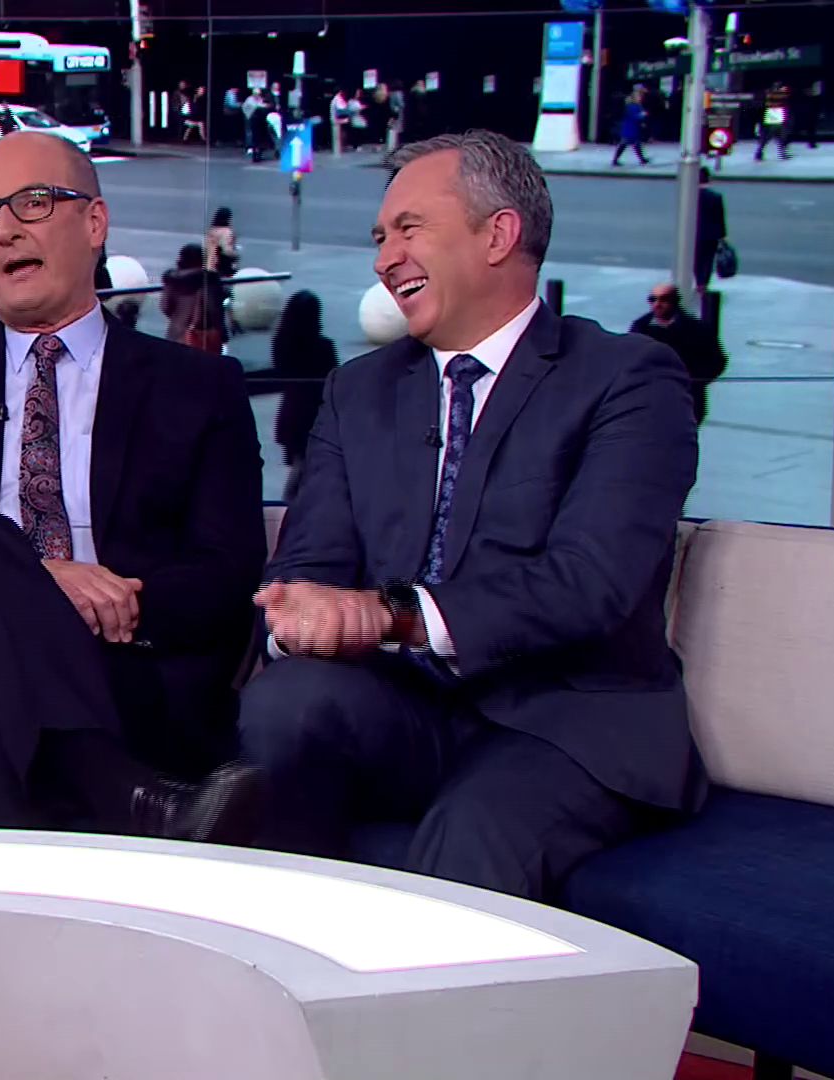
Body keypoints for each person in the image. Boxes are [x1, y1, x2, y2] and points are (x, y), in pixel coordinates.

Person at [238, 130, 703, 901]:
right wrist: (302, 615)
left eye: (409, 229)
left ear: (499, 234)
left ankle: (399, 982)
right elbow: (307, 566)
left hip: (564, 722)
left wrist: (392, 615)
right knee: (284, 705)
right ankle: (290, 944)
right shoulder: (359, 392)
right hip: (405, 707)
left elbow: (591, 582)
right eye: (380, 238)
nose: (385, 259)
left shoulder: (627, 379)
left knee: (475, 830)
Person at [0, 132, 268, 839]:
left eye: (32, 202)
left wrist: (73, 607)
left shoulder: (199, 387)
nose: (4, 229)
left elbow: (226, 574)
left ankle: (71, 812)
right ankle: (130, 795)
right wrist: (27, 580)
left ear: (94, 224)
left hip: (130, 683)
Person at [269, 290, 338, 500]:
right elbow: (334, 379)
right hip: (314, 415)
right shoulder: (323, 347)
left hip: (291, 414)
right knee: (305, 469)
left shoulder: (281, 344)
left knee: (300, 465)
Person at [631, 283, 727, 425]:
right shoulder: (640, 328)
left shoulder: (696, 329)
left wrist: (694, 380)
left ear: (675, 301)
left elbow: (717, 360)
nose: (657, 304)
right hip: (649, 400)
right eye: (653, 299)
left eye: (664, 299)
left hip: (686, 399)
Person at [159, 243, 226, 356]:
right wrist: (222, 333)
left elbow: (165, 307)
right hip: (199, 338)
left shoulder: (172, 280)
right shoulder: (208, 281)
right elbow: (213, 310)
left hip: (175, 334)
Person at [694, 167, 727, 300]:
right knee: (708, 259)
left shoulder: (690, 196)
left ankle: (698, 281)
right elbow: (720, 218)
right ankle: (704, 283)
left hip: (694, 233)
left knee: (696, 258)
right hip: (711, 234)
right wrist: (722, 236)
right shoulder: (716, 197)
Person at [613, 86, 651, 167]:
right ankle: (616, 160)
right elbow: (634, 117)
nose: (640, 98)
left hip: (631, 128)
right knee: (627, 144)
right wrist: (642, 115)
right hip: (631, 128)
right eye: (638, 97)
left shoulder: (634, 106)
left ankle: (641, 159)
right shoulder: (632, 107)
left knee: (634, 144)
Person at [755, 82, 793, 162]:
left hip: (776, 114)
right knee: (772, 135)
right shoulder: (773, 93)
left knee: (778, 135)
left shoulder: (771, 93)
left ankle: (781, 153)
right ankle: (760, 152)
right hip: (774, 115)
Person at [203, 207, 239, 279]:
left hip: (207, 266)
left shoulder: (212, 231)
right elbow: (227, 251)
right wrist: (235, 255)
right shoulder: (226, 232)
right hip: (219, 269)